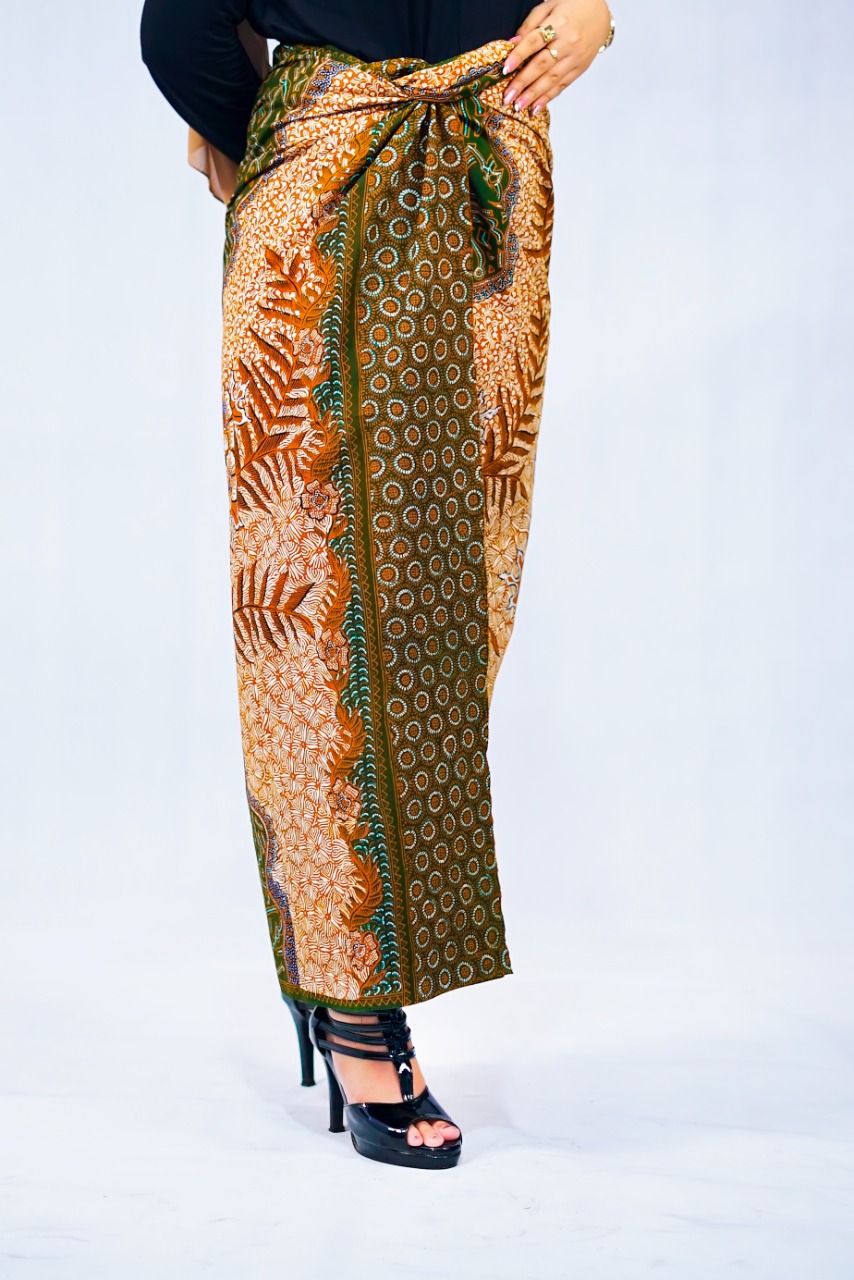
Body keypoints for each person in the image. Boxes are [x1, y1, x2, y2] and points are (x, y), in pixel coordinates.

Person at [140, 0, 614, 1170]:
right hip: (330, 173)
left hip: (484, 169)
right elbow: (179, 26)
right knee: (317, 603)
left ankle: (357, 962)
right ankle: (356, 1002)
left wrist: (594, 8)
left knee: (454, 590)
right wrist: (271, 131)